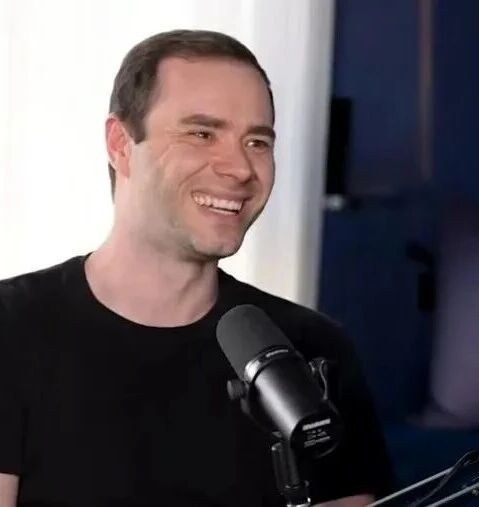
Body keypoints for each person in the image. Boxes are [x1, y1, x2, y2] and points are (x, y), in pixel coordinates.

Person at [0, 30, 393, 506]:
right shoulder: (12, 328)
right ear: (120, 144)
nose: (240, 168)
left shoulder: (315, 350)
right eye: (202, 134)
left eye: (257, 141)